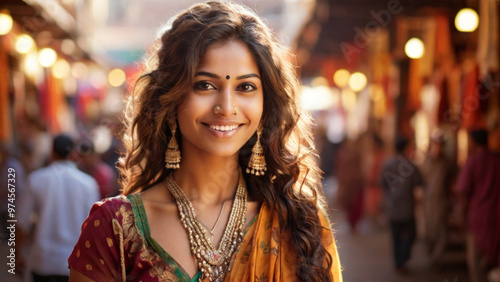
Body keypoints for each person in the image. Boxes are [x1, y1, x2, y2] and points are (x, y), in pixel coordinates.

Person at [68, 2, 342, 281]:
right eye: (205, 85)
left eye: (245, 87)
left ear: (266, 103)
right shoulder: (113, 229)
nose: (226, 107)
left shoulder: (300, 225)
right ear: (171, 97)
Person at [18, 134, 99, 281]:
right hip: (75, 265)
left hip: (43, 261)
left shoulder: (36, 179)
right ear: (73, 152)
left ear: (52, 152)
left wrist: (15, 256)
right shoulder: (89, 184)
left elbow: (21, 223)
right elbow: (93, 228)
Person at [456, 129, 500, 282]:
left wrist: (461, 214)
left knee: (476, 262)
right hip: (495, 217)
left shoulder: (473, 161)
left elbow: (462, 190)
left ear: (473, 142)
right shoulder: (496, 160)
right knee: (491, 259)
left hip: (477, 218)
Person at [379, 136, 423, 273]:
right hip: (407, 207)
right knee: (411, 235)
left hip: (392, 207)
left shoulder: (387, 164)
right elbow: (419, 183)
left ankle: (399, 263)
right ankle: (403, 259)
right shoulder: (410, 165)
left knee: (395, 237)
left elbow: (382, 183)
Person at [422, 131, 455, 265]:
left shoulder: (447, 162)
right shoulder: (426, 161)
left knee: (442, 233)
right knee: (430, 232)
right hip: (428, 202)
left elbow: (452, 181)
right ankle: (432, 256)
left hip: (442, 201)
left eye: (440, 145)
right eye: (436, 145)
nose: (438, 148)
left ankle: (436, 259)